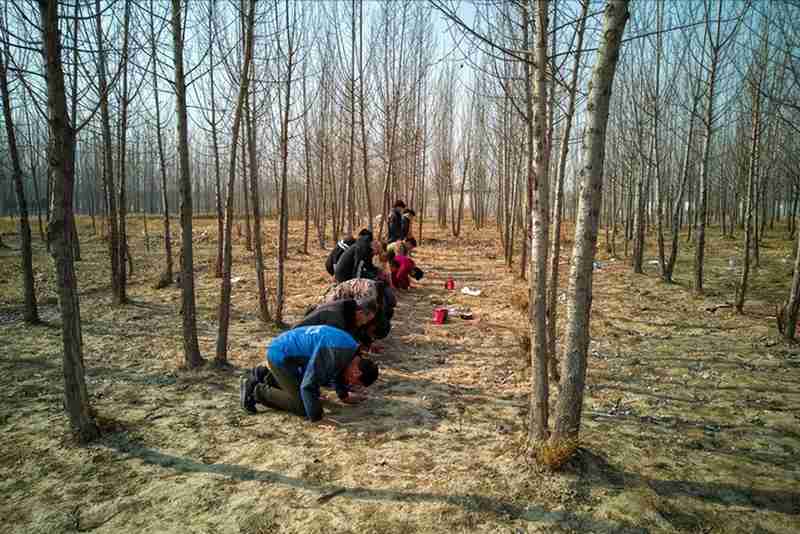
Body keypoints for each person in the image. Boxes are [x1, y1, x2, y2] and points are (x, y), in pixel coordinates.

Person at [240, 325, 379, 421]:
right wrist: (318, 418)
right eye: (354, 382)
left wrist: (344, 396)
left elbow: (339, 371)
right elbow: (308, 386)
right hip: (281, 356)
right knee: (303, 407)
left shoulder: (349, 350)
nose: (350, 383)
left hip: (288, 353)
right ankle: (256, 390)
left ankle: (266, 376)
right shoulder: (333, 352)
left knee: (312, 399)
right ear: (357, 372)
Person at [294, 298, 377, 340]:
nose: (365, 323)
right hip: (296, 342)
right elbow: (327, 346)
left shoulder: (346, 310)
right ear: (360, 313)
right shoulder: (336, 319)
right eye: (367, 320)